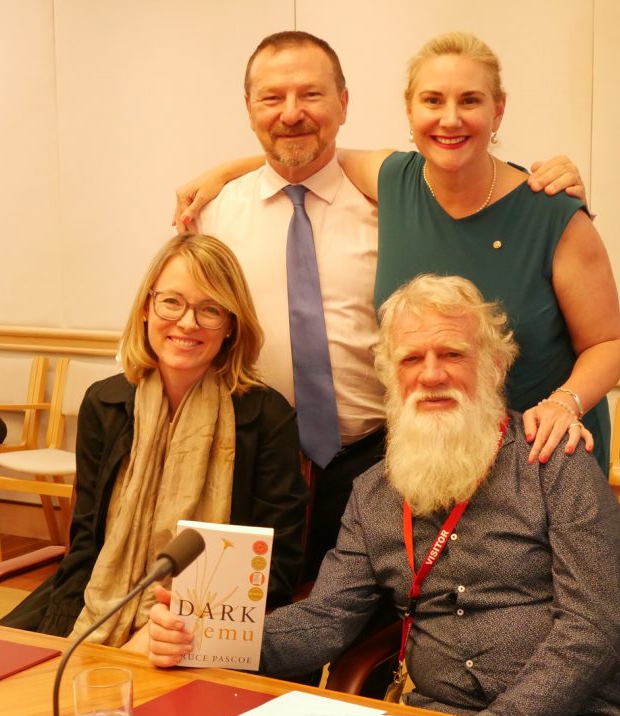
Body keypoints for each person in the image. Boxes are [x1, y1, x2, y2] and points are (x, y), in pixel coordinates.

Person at [144, 274, 620, 716]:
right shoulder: (373, 492)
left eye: (452, 354)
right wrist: (209, 639)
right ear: (390, 376)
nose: (431, 374)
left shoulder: (554, 463)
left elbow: (590, 629)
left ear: (492, 367)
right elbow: (328, 617)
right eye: (411, 359)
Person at [173, 30, 585, 579]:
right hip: (251, 457)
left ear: (344, 103)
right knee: (250, 624)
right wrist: (225, 171)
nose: (292, 113)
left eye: (312, 96)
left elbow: (467, 187)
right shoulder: (213, 216)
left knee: (368, 621)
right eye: (272, 98)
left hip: (380, 461)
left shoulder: (393, 199)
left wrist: (559, 187)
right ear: (248, 107)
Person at [335, 32, 620, 473]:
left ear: (498, 110)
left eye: (470, 101)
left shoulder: (553, 212)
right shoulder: (394, 179)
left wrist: (563, 404)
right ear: (410, 110)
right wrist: (222, 175)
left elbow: (608, 343)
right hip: (437, 458)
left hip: (542, 459)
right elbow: (310, 156)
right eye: (432, 101)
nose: (450, 119)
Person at [0, 233, 308, 645]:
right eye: (172, 302)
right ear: (146, 307)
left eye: (210, 309)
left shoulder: (267, 417)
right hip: (97, 602)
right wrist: (65, 633)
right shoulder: (104, 403)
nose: (187, 323)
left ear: (231, 325)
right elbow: (85, 546)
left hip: (206, 624)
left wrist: (172, 623)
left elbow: (277, 564)